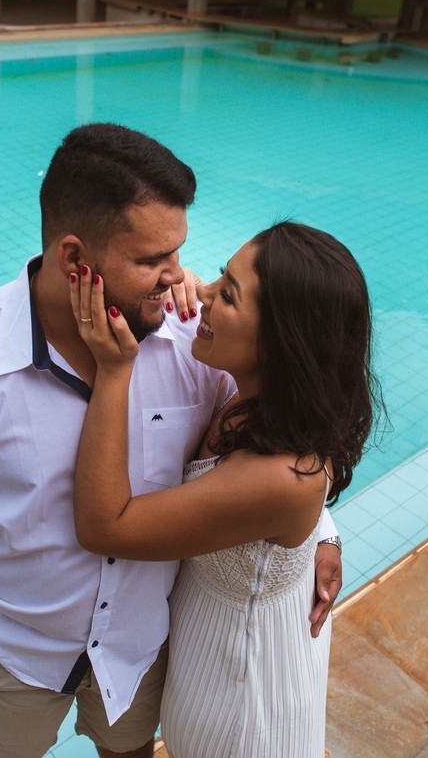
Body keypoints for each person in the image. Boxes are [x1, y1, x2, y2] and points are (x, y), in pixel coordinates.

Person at [0, 123, 344, 758]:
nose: (178, 280)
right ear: (74, 258)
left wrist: (319, 530)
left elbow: (264, 445)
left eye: (178, 252)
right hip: (10, 650)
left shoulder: (192, 345)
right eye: (150, 261)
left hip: (140, 645)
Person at [68, 221, 378, 758]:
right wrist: (326, 537)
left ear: (283, 341)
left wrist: (115, 371)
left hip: (240, 698)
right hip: (221, 649)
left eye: (227, 295)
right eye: (216, 278)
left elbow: (105, 526)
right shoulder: (265, 399)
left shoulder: (278, 475)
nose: (198, 293)